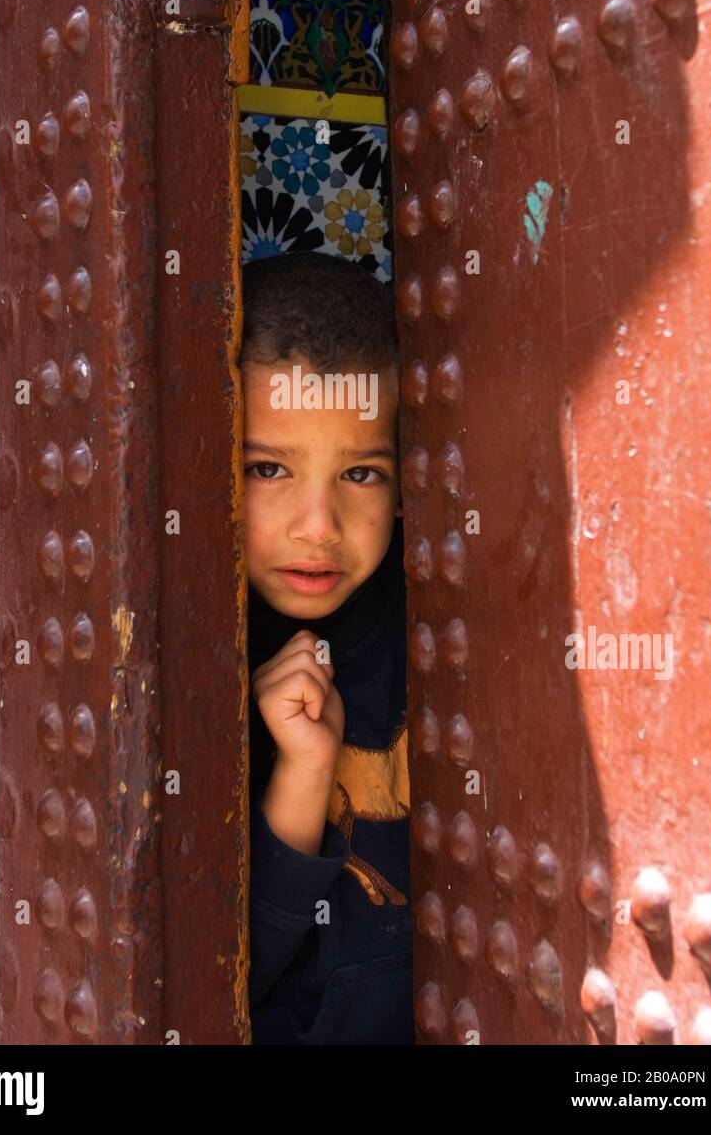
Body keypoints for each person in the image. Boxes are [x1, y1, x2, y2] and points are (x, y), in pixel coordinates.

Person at [241, 250, 414, 1045]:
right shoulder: (188, 653)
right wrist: (304, 773)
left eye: (362, 474)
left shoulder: (446, 628)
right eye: (268, 467)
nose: (318, 526)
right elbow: (232, 971)